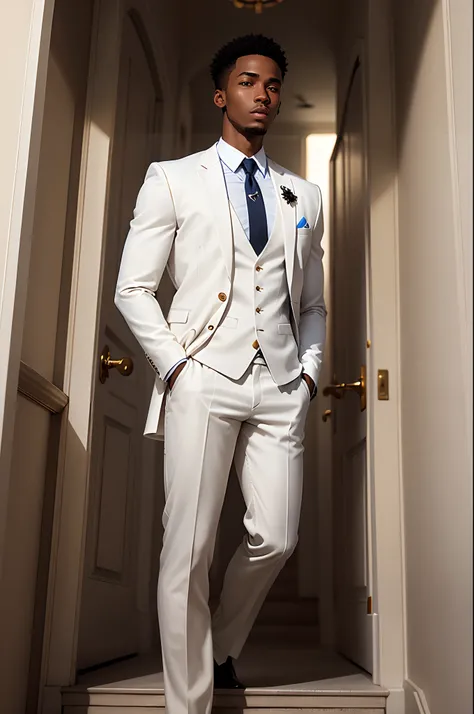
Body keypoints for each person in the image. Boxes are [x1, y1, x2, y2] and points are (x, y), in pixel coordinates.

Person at [114, 33, 326, 714]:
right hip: (202, 374)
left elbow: (314, 302)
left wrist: (311, 374)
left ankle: (221, 644)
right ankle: (190, 705)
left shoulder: (304, 195)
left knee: (278, 536)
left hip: (280, 383)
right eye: (246, 82)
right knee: (190, 548)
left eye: (270, 84)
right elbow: (131, 289)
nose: (261, 94)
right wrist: (176, 368)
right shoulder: (172, 178)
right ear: (220, 94)